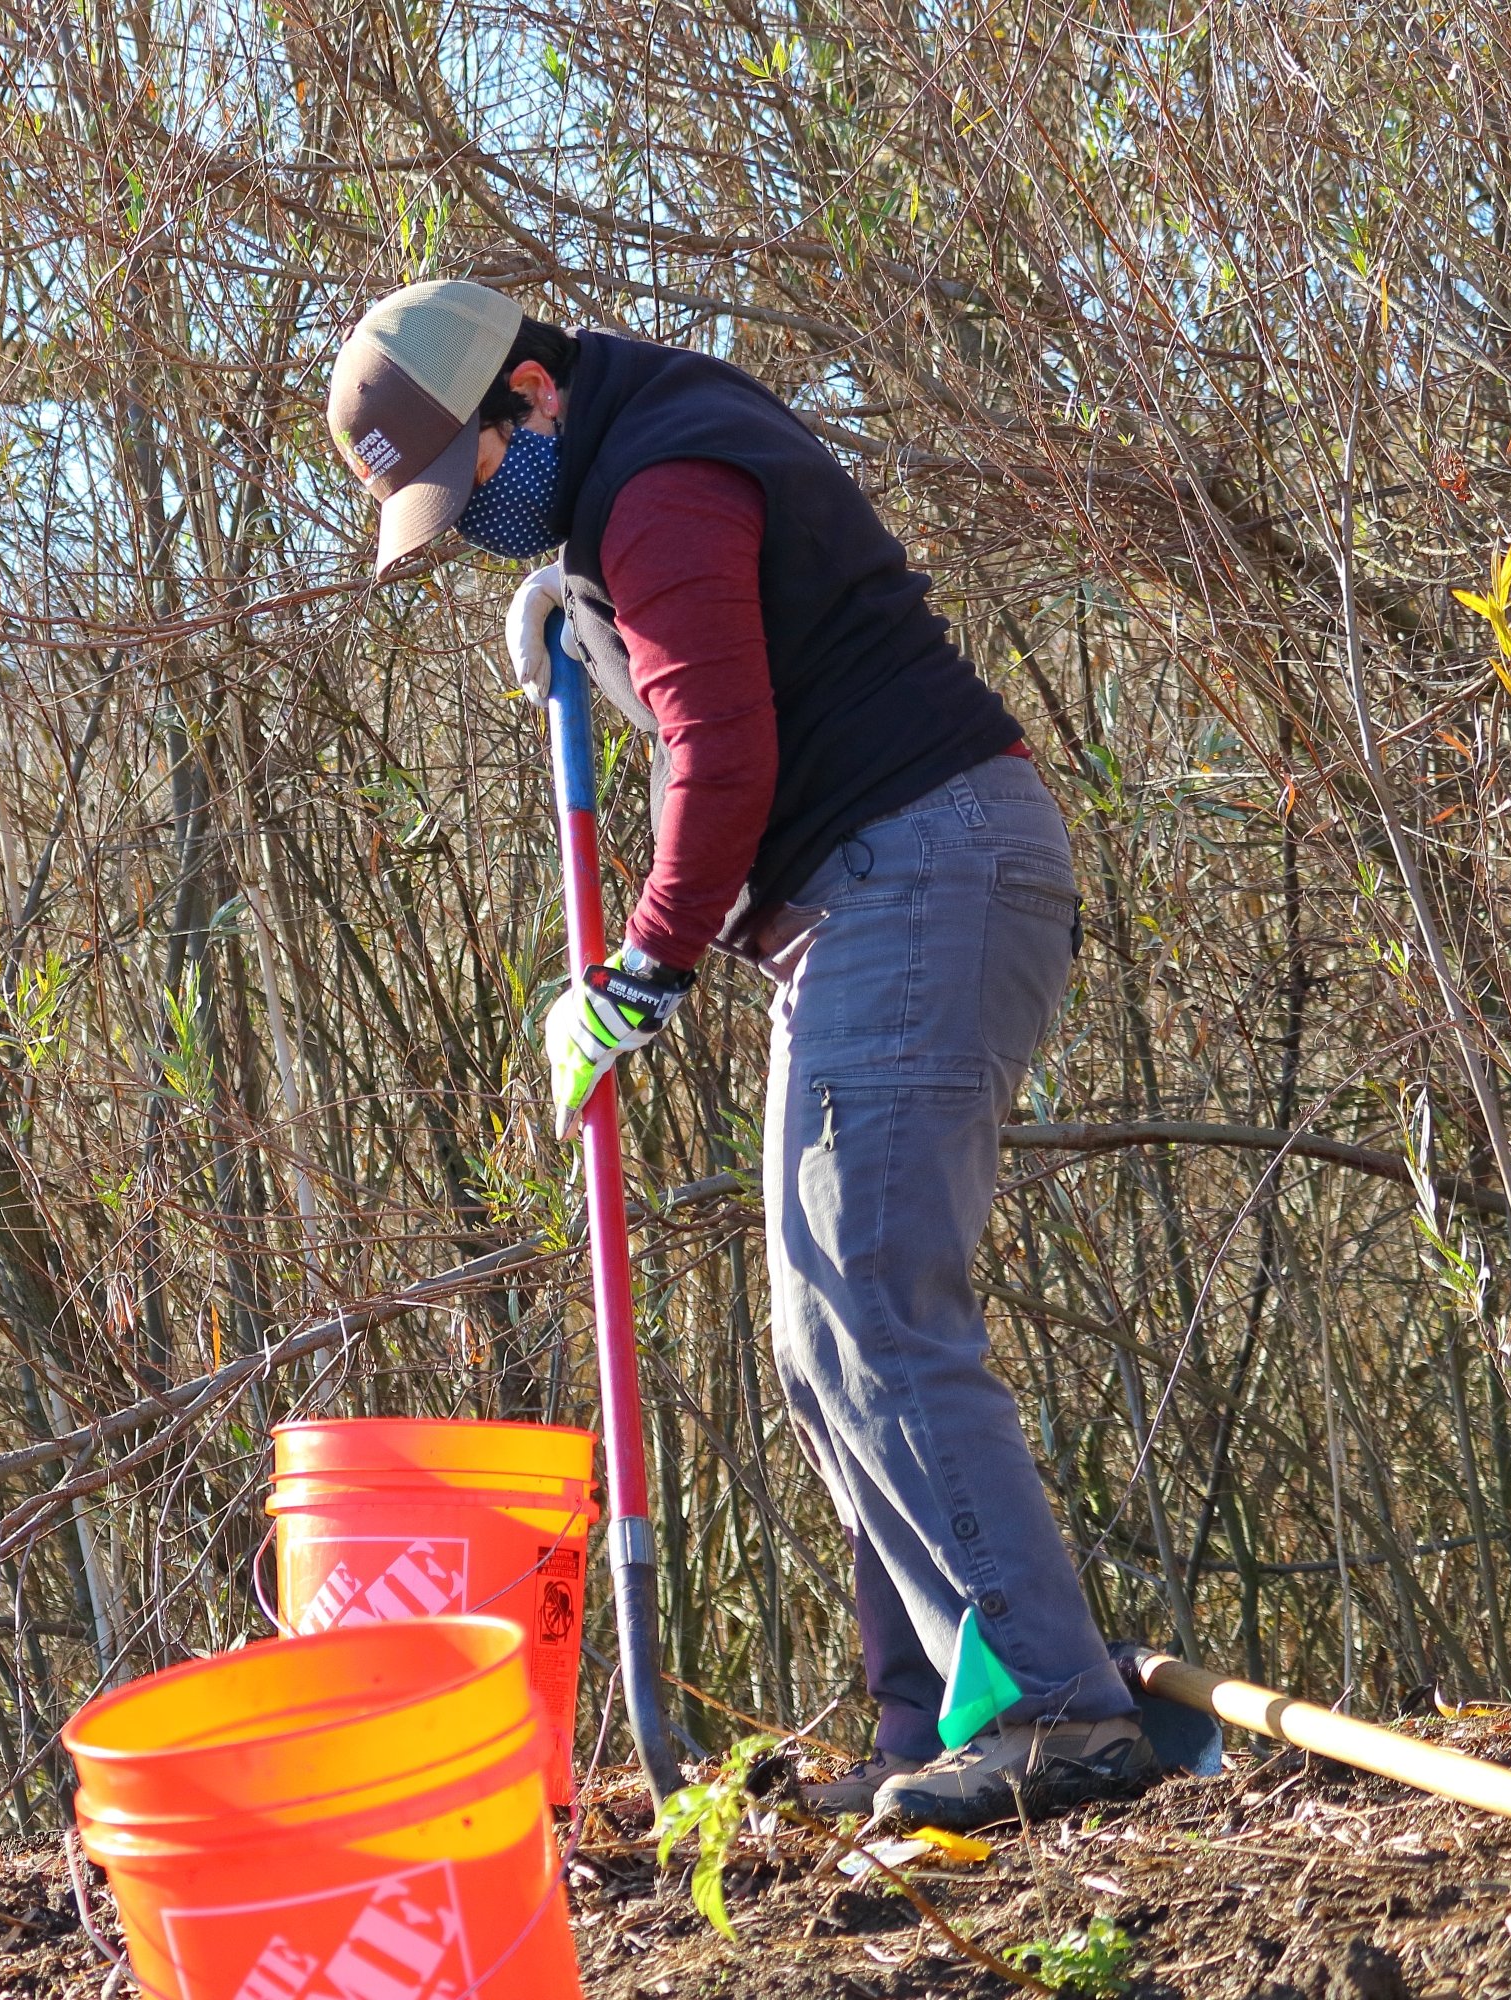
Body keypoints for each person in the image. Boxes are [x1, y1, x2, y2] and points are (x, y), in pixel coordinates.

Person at [325, 279, 1156, 1830]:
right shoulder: (639, 472)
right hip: (884, 890)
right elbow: (713, 669)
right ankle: (938, 1722)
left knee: (868, 1297)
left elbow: (726, 756)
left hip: (920, 870)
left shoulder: (665, 483)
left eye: (476, 483)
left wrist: (638, 971)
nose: (479, 525)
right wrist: (588, 609)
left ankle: (1058, 1711)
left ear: (535, 398)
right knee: (815, 1334)